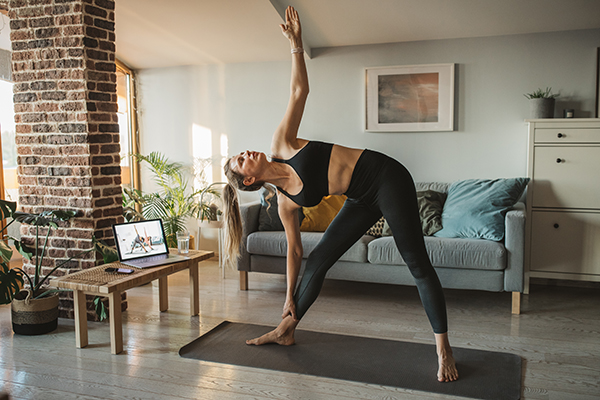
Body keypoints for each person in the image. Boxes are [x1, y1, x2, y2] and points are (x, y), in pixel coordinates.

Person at [222, 6, 458, 382]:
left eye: (242, 153)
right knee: (318, 263)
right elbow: (296, 251)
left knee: (417, 263)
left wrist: (296, 44)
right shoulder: (285, 203)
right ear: (248, 181)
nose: (246, 153)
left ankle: (444, 349)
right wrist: (288, 299)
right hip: (360, 198)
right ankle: (286, 330)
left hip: (386, 177)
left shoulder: (282, 143)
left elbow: (300, 90)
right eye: (241, 161)